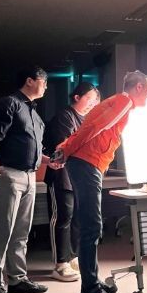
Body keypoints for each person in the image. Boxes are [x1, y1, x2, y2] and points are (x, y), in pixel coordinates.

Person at [50, 70, 147, 293]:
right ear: (139, 87)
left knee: (90, 226)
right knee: (92, 227)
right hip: (87, 163)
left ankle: (92, 282)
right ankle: (90, 292)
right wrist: (67, 150)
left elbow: (87, 127)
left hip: (86, 162)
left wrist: (65, 148)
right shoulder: (124, 101)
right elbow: (94, 128)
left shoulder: (117, 102)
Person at [0, 66, 51, 293]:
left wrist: (49, 160)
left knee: (22, 231)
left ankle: (17, 279)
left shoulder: (35, 114)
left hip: (30, 176)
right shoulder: (9, 103)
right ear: (30, 80)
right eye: (43, 81)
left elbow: (32, 147)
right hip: (9, 174)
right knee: (3, 229)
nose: (46, 86)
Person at [42, 82, 99, 282]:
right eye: (89, 99)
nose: (92, 103)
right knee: (62, 217)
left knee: (77, 218)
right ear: (77, 97)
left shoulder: (87, 119)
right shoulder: (64, 116)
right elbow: (64, 146)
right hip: (61, 174)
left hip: (79, 175)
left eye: (95, 101)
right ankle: (60, 263)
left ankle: (73, 257)